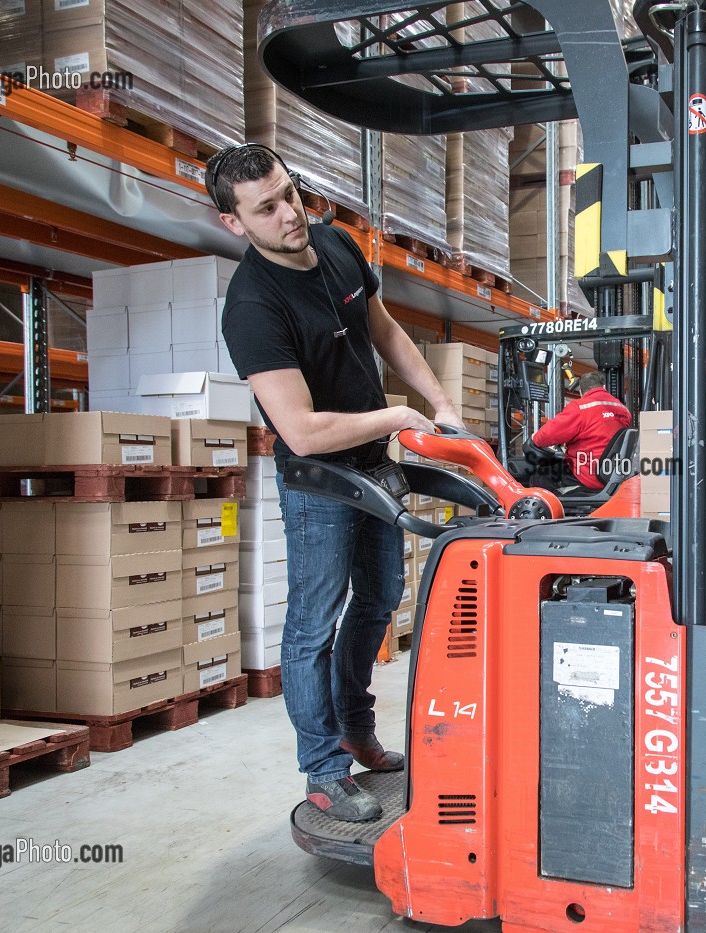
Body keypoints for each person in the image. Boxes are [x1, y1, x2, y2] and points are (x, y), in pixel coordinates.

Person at [210, 143, 466, 823]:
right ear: (235, 223)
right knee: (312, 624)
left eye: (290, 193)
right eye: (267, 207)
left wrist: (439, 403)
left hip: (373, 461)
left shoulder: (336, 243)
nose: (290, 213)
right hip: (318, 478)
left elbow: (384, 330)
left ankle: (357, 728)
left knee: (381, 594)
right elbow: (300, 430)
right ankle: (323, 768)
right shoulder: (252, 308)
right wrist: (398, 413)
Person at [530, 371, 632, 490]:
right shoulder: (623, 409)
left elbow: (546, 435)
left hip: (587, 475)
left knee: (539, 476)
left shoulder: (580, 407)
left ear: (580, 392)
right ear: (604, 387)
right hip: (614, 475)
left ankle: (558, 509)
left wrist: (535, 438)